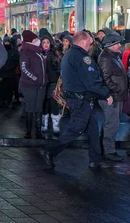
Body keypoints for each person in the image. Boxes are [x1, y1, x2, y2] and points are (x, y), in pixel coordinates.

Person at [43, 31, 113, 169]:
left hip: (78, 99)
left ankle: (96, 159)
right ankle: (51, 150)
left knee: (92, 129)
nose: (90, 44)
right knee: (76, 129)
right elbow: (91, 81)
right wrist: (106, 94)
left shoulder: (69, 54)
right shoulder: (82, 57)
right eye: (89, 42)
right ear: (82, 42)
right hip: (81, 100)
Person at [97, 33, 127, 162]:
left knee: (111, 123)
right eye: (118, 43)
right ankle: (108, 151)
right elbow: (105, 79)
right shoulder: (106, 58)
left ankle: (106, 149)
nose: (120, 45)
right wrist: (118, 89)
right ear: (111, 45)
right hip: (112, 97)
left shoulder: (113, 55)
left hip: (116, 96)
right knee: (112, 125)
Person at [19, 31, 47, 139]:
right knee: (30, 107)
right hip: (30, 85)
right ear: (31, 41)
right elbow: (24, 68)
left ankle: (38, 131)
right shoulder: (26, 52)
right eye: (35, 39)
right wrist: (35, 78)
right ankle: (29, 132)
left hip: (41, 85)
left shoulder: (38, 51)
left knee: (38, 108)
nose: (38, 41)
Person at [41, 35, 62, 134]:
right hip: (42, 83)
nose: (45, 45)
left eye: (47, 42)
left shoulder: (54, 54)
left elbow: (58, 69)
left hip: (53, 82)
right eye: (44, 43)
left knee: (53, 103)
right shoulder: (39, 54)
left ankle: (55, 126)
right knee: (44, 104)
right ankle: (44, 125)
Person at [0, 35, 20, 108]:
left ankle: (8, 101)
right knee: (2, 89)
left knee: (10, 89)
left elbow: (16, 61)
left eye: (8, 42)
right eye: (5, 42)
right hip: (3, 74)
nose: (6, 43)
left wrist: (9, 68)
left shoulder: (14, 52)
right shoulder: (1, 51)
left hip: (10, 74)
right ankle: (2, 102)